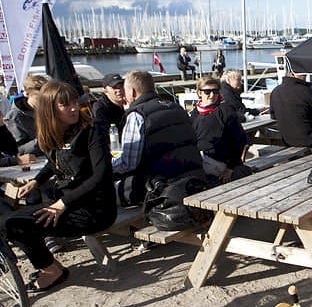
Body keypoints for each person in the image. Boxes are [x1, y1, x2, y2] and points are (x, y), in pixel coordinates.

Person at [2, 81, 117, 293]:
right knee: (9, 222)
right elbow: (53, 161)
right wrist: (37, 180)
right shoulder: (55, 133)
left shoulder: (90, 132)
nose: (74, 108)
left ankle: (52, 272)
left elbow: (101, 176)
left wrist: (62, 204)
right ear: (50, 109)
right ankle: (51, 267)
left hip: (95, 209)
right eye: (65, 104)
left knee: (18, 226)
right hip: (68, 204)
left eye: (74, 102)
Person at [112, 70, 203, 206]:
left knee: (108, 193)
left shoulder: (137, 116)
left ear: (132, 92)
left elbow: (129, 164)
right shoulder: (177, 108)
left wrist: (107, 165)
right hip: (194, 178)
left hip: (162, 187)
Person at [189, 77, 251, 184]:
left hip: (223, 164)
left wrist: (231, 167)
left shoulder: (226, 111)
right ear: (199, 93)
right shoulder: (194, 114)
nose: (212, 95)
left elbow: (240, 140)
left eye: (215, 91)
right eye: (207, 92)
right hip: (201, 160)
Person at [270, 73, 312, 148]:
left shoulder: (275, 91)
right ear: (292, 74)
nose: (305, 76)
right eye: (302, 74)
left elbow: (273, 116)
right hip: (308, 140)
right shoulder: (305, 91)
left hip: (287, 140)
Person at [4, 74, 46, 156]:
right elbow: (17, 150)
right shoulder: (13, 117)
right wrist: (44, 140)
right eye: (39, 98)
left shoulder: (50, 109)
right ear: (27, 94)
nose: (44, 102)